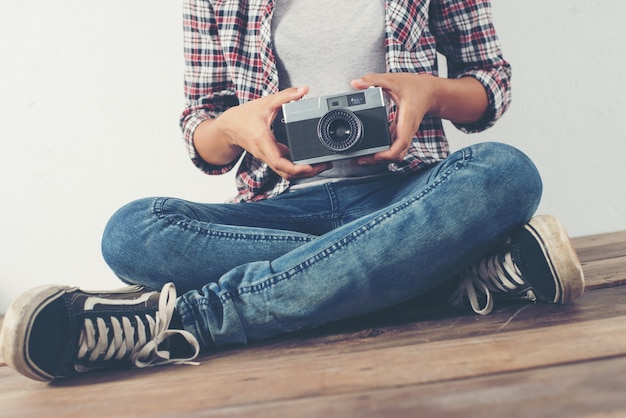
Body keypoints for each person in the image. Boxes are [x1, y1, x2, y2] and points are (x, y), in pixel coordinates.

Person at [0, 0, 584, 382]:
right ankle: (439, 272)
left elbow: (491, 81)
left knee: (505, 172)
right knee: (131, 231)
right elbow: (202, 130)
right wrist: (233, 127)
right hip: (282, 207)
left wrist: (432, 92)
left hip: (408, 192)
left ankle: (192, 322)